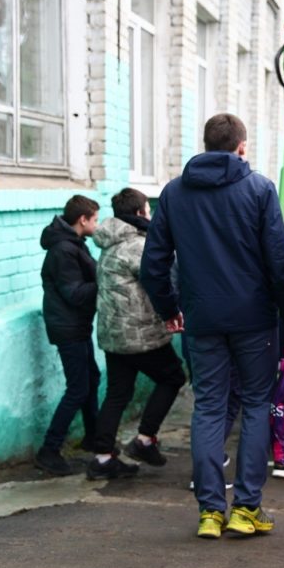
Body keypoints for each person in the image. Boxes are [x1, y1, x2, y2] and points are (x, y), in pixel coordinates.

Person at [141, 113, 284, 539]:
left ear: (206, 144)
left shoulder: (175, 193)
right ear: (241, 146)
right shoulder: (259, 190)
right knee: (254, 405)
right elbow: (280, 263)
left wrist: (168, 308)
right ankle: (246, 507)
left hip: (202, 318)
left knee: (209, 407)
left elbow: (153, 263)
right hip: (254, 320)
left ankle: (210, 510)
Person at [88, 188, 188, 481]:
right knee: (173, 378)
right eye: (148, 209)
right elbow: (158, 280)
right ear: (140, 213)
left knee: (118, 393)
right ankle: (144, 440)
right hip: (140, 334)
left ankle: (102, 457)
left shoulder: (109, 242)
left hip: (114, 334)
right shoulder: (137, 245)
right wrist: (172, 311)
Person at [35, 195, 101, 476]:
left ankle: (94, 438)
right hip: (68, 327)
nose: (97, 225)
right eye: (95, 219)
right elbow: (74, 293)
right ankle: (49, 450)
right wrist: (104, 282)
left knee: (92, 378)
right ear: (82, 220)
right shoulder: (63, 250)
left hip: (76, 325)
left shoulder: (74, 245)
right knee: (78, 387)